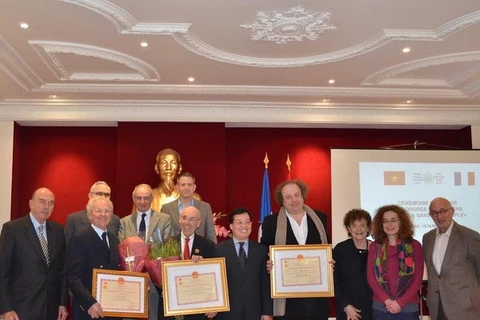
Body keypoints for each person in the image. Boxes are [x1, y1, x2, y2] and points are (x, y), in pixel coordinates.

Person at [261, 179, 329, 320]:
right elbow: (264, 253)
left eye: (297, 195)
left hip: (316, 298)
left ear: (303, 195)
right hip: (287, 300)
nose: (294, 200)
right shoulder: (271, 223)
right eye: (288, 197)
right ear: (282, 201)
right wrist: (267, 263)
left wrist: (330, 261)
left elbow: (326, 248)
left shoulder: (320, 218)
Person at [0, 187, 68, 320]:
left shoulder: (58, 230)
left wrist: (62, 303)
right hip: (20, 309)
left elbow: (62, 271)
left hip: (50, 308)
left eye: (51, 203)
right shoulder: (12, 229)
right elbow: (2, 272)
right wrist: (6, 308)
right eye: (42, 201)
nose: (46, 206)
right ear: (31, 204)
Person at [118, 183, 173, 320]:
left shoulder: (164, 219)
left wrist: (151, 269)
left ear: (152, 198)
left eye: (146, 198)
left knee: (153, 316)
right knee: (129, 316)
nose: (142, 202)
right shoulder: (123, 222)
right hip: (130, 280)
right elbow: (122, 252)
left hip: (154, 280)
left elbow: (168, 249)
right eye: (139, 198)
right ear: (133, 198)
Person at [422, 197, 480, 320]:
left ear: (452, 211)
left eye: (443, 211)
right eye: (434, 213)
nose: (439, 216)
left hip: (465, 308)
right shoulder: (427, 238)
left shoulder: (470, 236)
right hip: (437, 306)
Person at [66, 196, 120, 320]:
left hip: (111, 310)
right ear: (90, 215)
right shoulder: (79, 238)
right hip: (88, 311)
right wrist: (89, 303)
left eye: (107, 211)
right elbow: (73, 277)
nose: (103, 214)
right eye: (98, 211)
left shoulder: (114, 239)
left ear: (111, 215)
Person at [367, 205, 423, 320]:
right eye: (385, 221)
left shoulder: (414, 245)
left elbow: (417, 280)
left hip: (408, 308)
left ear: (401, 222)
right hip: (381, 307)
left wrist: (400, 303)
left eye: (393, 220)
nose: (389, 225)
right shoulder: (374, 247)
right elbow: (371, 278)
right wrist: (387, 301)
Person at [215, 207, 272, 320]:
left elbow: (265, 283)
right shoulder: (218, 250)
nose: (244, 226)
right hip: (227, 312)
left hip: (254, 311)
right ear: (231, 226)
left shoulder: (261, 250)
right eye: (239, 222)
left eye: (247, 222)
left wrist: (267, 312)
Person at [169, 206, 216, 320]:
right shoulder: (167, 244)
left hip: (199, 310)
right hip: (173, 309)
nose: (187, 222)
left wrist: (214, 304)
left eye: (192, 219)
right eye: (184, 218)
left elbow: (215, 278)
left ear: (198, 223)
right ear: (179, 220)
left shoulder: (208, 246)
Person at [333, 209, 373, 320]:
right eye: (354, 226)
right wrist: (346, 305)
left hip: (373, 310)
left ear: (368, 228)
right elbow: (335, 282)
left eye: (362, 225)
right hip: (348, 311)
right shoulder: (340, 249)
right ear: (348, 229)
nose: (359, 229)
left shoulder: (376, 248)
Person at [161, 172, 216, 243]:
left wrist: (213, 252)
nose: (186, 188)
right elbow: (163, 235)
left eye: (189, 185)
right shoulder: (166, 208)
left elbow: (211, 235)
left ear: (194, 187)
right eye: (183, 185)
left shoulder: (205, 207)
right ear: (177, 187)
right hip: (174, 252)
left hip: (199, 251)